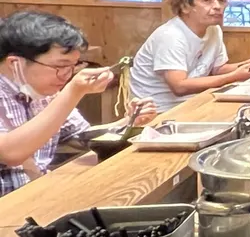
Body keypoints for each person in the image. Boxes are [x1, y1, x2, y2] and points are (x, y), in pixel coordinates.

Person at [0, 11, 155, 195]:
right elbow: (10, 153)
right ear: (14, 63)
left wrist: (128, 122)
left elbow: (81, 137)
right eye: (60, 66)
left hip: (35, 193)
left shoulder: (46, 91)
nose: (67, 74)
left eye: (73, 66)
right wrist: (73, 92)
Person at [130, 0, 250, 112]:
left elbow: (218, 69)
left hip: (192, 102)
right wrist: (233, 77)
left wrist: (249, 63)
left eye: (221, 0)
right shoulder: (171, 35)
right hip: (157, 112)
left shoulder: (214, 29)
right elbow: (179, 86)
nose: (217, 6)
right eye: (207, 1)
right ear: (185, 6)